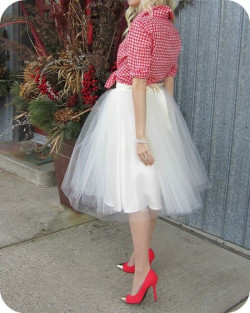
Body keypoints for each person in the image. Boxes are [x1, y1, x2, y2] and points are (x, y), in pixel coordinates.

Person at [61, 0, 212, 305]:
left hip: (132, 110)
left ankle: (143, 271)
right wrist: (167, 126)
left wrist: (141, 137)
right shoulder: (169, 27)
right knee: (149, 185)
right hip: (155, 109)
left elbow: (140, 81)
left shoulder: (144, 24)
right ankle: (139, 254)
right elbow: (169, 77)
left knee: (135, 190)